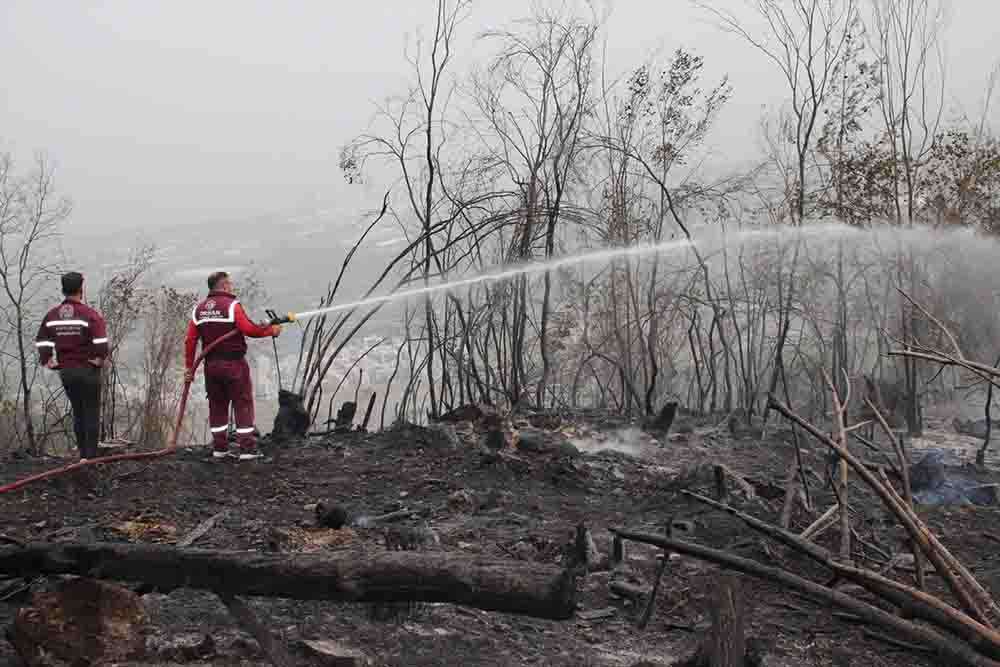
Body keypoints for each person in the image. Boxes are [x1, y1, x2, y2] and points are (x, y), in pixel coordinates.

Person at [185, 271, 280, 460]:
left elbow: (190, 340)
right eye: (229, 284)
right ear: (223, 286)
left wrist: (189, 368)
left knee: (217, 405)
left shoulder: (199, 310)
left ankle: (219, 448)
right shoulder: (232, 306)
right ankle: (247, 449)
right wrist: (272, 330)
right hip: (234, 364)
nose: (232, 287)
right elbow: (249, 330)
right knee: (242, 403)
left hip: (211, 366)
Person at [35, 271, 109, 461]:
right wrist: (99, 358)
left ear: (63, 289)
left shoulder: (52, 315)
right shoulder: (89, 314)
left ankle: (82, 455)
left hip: (66, 371)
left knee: (78, 411)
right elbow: (101, 340)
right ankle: (90, 458)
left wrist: (47, 359)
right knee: (91, 411)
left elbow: (42, 339)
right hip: (87, 369)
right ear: (80, 289)